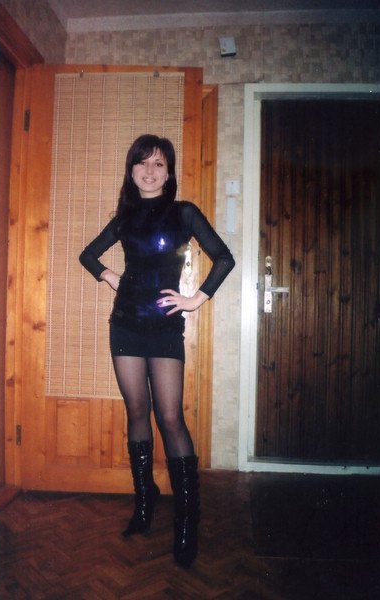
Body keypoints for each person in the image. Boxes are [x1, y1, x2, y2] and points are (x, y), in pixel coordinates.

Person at [79, 134, 235, 568]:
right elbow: (88, 255)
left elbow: (224, 258)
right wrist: (112, 277)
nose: (150, 171)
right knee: (136, 411)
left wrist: (195, 299)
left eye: (159, 164)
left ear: (169, 173)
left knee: (170, 417)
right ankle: (144, 504)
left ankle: (187, 521)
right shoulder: (125, 217)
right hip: (125, 324)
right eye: (142, 163)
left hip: (165, 326)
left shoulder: (184, 213)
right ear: (131, 171)